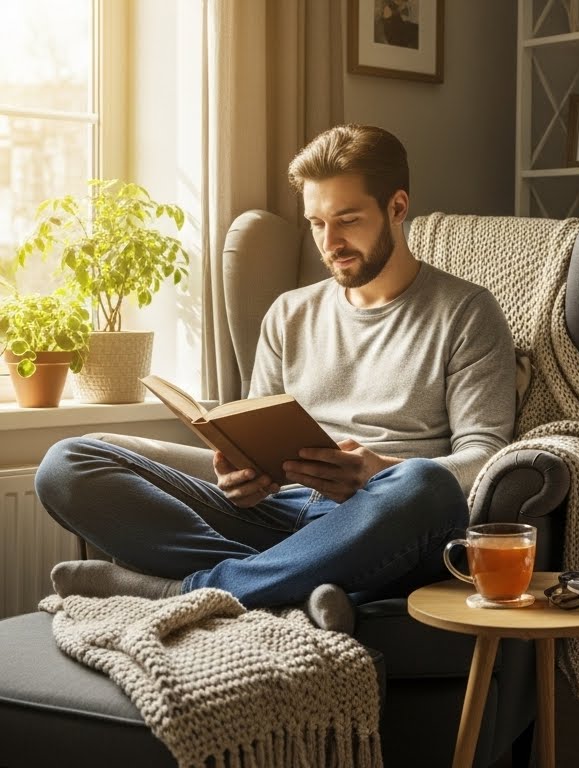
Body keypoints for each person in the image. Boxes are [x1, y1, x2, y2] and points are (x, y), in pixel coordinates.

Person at [36, 125, 516, 631]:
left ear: (397, 208)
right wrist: (243, 474)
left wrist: (380, 470)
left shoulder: (466, 312)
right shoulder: (289, 313)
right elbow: (254, 425)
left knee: (425, 483)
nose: (330, 243)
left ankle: (184, 590)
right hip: (277, 517)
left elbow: (485, 456)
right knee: (68, 463)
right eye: (316, 223)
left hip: (384, 521)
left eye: (348, 220)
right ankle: (296, 587)